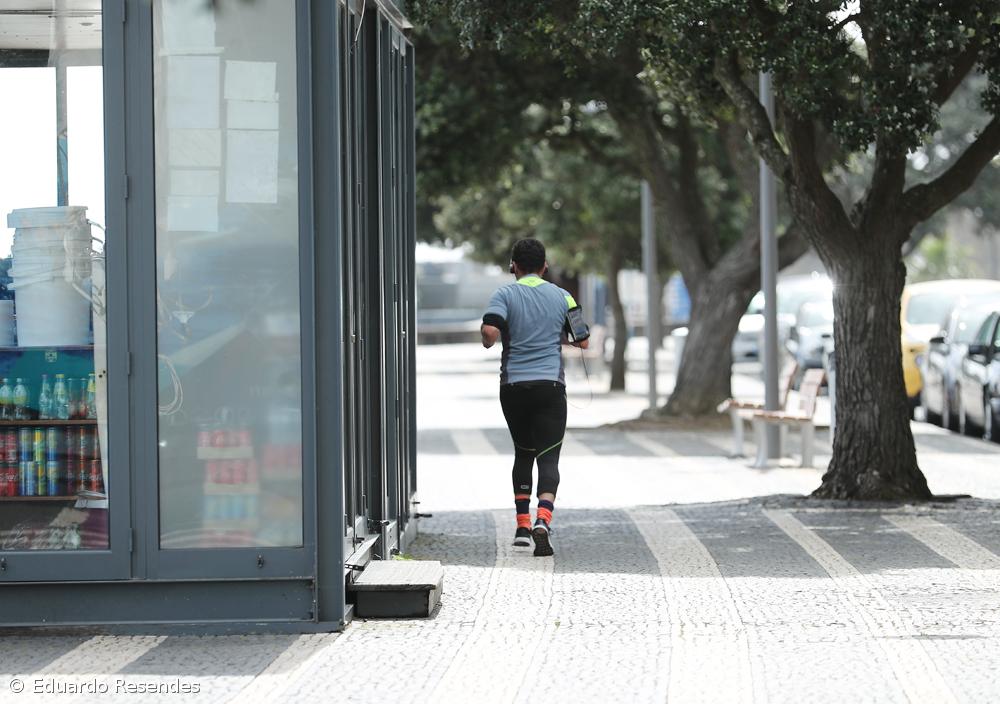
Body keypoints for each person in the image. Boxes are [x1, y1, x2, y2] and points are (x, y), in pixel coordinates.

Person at [481, 238, 589, 557]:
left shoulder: (503, 294)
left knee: (523, 453)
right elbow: (582, 339)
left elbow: (489, 335)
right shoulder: (563, 296)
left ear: (513, 265)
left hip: (513, 387)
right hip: (550, 388)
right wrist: (551, 336)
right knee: (549, 458)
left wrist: (504, 334)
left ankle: (522, 527)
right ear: (545, 266)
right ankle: (544, 519)